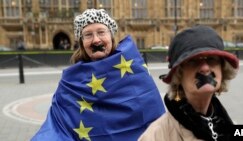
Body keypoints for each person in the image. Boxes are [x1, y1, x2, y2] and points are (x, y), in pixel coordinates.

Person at [31, 9, 165, 141]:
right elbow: (57, 126)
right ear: (82, 42)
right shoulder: (70, 82)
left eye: (101, 32)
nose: (96, 40)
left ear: (111, 36)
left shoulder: (133, 69)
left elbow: (154, 117)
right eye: (88, 35)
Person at [138, 25, 239, 141]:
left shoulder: (226, 124)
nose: (205, 68)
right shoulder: (156, 136)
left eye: (211, 59)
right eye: (193, 61)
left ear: (222, 69)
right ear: (178, 75)